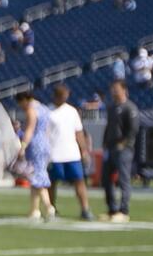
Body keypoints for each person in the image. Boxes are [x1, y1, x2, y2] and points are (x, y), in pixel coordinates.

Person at [46, 85, 94, 221]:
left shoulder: (72, 111)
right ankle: (52, 208)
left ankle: (85, 209)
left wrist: (84, 150)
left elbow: (78, 132)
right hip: (54, 154)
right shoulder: (48, 111)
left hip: (72, 153)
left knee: (79, 180)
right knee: (52, 182)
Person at [12, 89, 54, 221]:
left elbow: (29, 129)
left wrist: (23, 146)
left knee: (36, 176)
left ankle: (47, 207)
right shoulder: (44, 108)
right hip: (45, 143)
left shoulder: (31, 110)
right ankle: (36, 209)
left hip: (36, 144)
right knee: (37, 177)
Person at [101, 80, 138, 223]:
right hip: (110, 147)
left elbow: (133, 129)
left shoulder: (129, 108)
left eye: (116, 89)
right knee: (106, 179)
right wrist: (105, 142)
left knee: (123, 179)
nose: (114, 92)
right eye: (112, 89)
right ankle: (112, 209)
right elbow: (109, 126)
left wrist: (125, 143)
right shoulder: (111, 107)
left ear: (124, 90)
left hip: (123, 149)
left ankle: (124, 210)